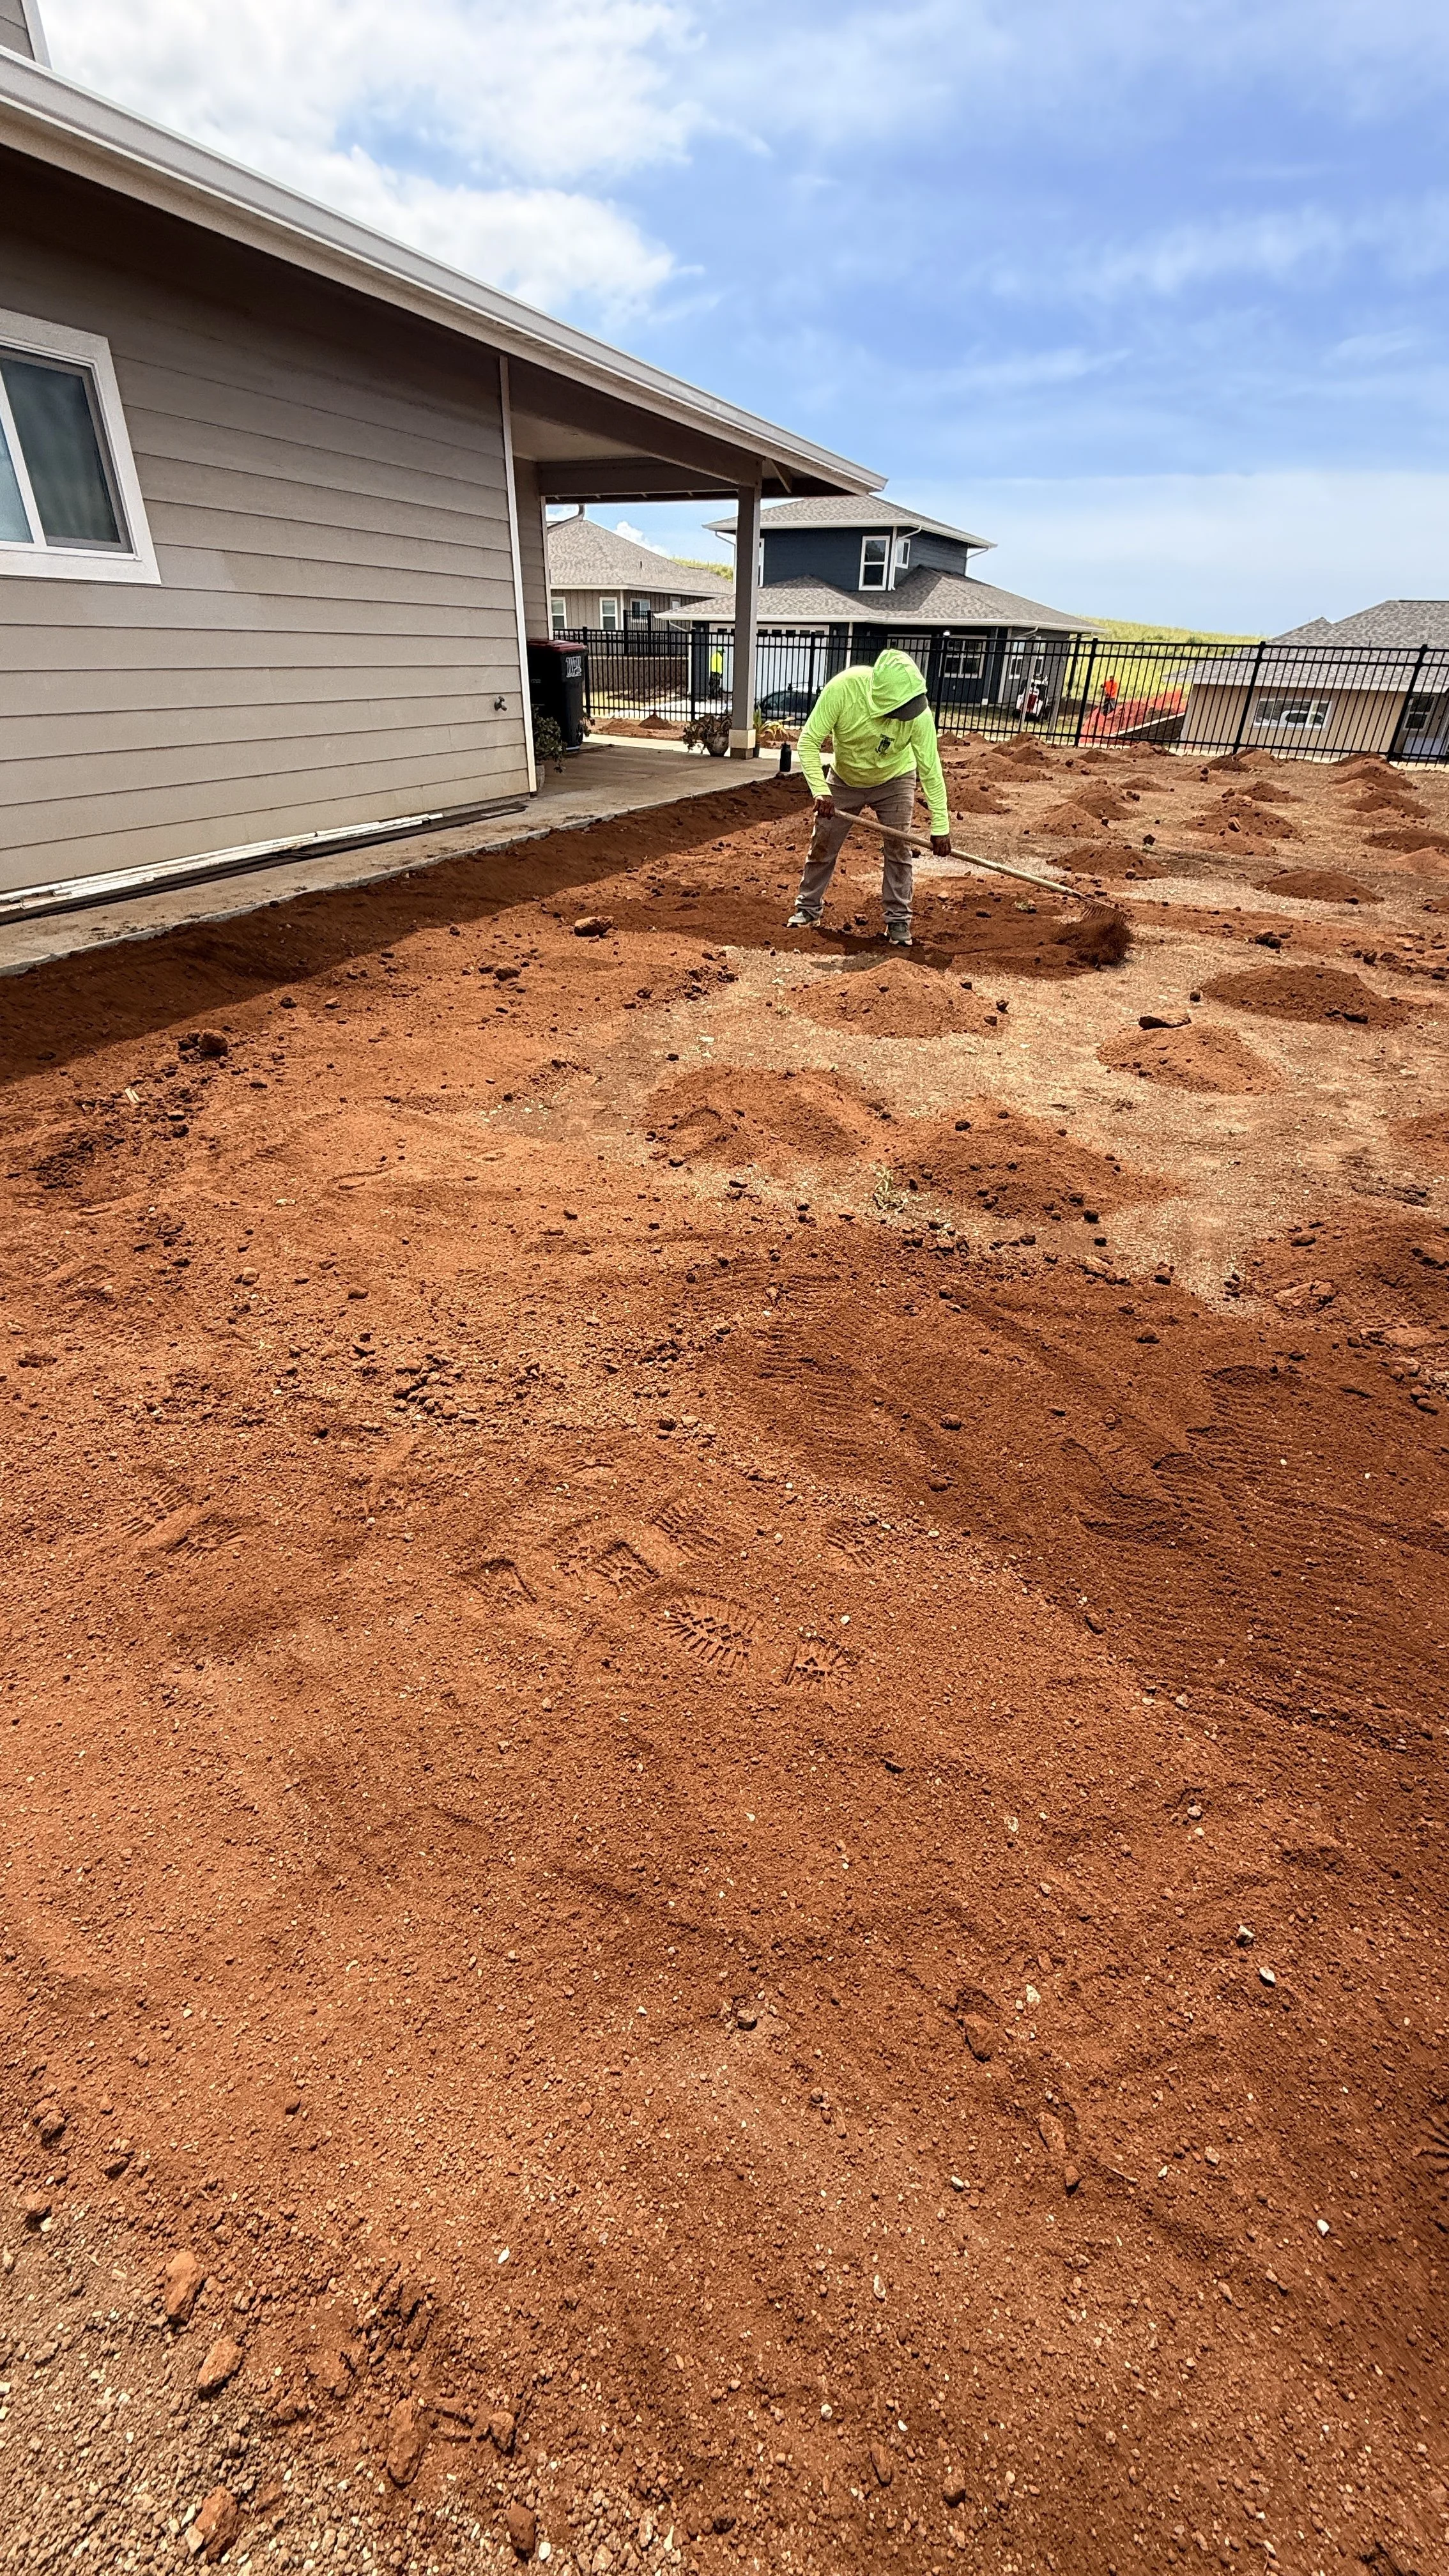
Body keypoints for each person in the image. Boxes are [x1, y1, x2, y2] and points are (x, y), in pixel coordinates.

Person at [788, 647, 952, 946]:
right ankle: (808, 909)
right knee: (823, 843)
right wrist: (820, 790)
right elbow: (809, 741)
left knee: (899, 847)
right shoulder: (843, 689)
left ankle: (898, 922)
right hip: (844, 779)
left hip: (895, 779)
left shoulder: (919, 714)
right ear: (881, 700)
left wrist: (941, 825)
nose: (907, 716)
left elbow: (931, 768)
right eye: (899, 710)